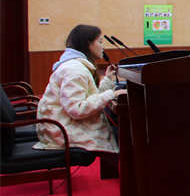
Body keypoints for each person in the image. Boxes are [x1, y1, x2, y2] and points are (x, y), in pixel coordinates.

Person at [34, 24, 124, 153]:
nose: (103, 47)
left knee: (118, 129)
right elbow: (77, 109)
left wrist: (108, 80)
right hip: (64, 133)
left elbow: (88, 97)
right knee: (123, 134)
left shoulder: (75, 65)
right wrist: (112, 94)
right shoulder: (74, 70)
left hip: (63, 125)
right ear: (88, 44)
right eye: (100, 42)